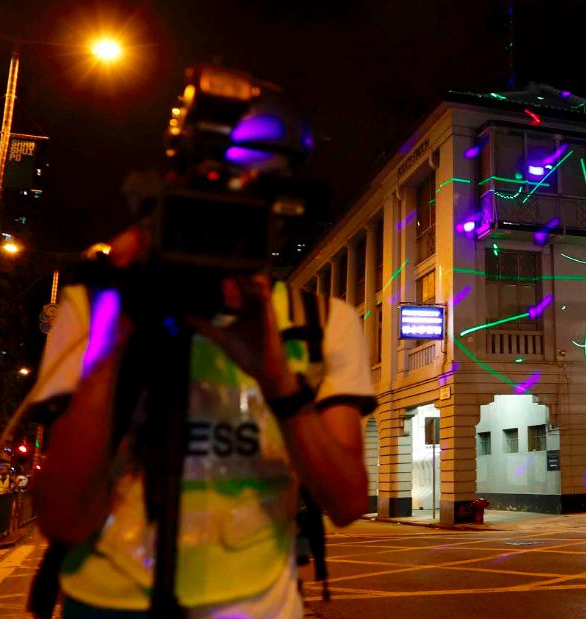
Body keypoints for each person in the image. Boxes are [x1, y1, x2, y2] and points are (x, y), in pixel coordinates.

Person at [26, 84, 375, 615]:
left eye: (252, 201)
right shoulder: (99, 303)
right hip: (102, 604)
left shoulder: (322, 321)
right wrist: (114, 327)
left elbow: (347, 502)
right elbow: (65, 519)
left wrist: (279, 380)